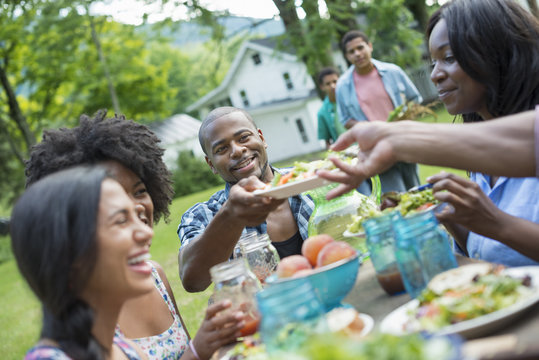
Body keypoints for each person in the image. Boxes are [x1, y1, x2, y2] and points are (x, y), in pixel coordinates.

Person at [321, 0, 539, 266]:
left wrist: (495, 222)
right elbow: (487, 251)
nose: (435, 75)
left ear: (497, 52)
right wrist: (447, 215)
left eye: (449, 58)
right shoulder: (480, 160)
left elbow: (499, 229)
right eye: (433, 61)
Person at [25, 112, 244, 360]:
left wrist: (210, 346)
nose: (137, 214)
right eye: (117, 213)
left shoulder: (151, 277)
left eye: (139, 191)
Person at [13, 166, 151, 359]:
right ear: (69, 253)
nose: (147, 232)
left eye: (136, 216)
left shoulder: (124, 350)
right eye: (121, 220)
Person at [178, 106, 315, 292]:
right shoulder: (202, 215)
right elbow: (192, 280)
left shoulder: (310, 180)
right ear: (211, 164)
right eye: (221, 148)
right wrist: (231, 215)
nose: (237, 150)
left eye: (243, 138)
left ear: (262, 138)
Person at [336, 30, 421, 193]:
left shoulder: (393, 72)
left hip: (402, 140)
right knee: (394, 197)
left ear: (369, 46)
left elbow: (414, 99)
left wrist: (404, 118)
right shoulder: (343, 86)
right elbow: (345, 119)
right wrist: (370, 129)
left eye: (360, 48)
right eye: (351, 52)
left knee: (416, 190)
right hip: (375, 148)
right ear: (347, 57)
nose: (357, 54)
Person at [317, 67, 346, 149]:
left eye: (335, 81)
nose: (333, 86)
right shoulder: (322, 113)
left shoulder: (352, 100)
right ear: (322, 87)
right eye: (328, 84)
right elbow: (327, 142)